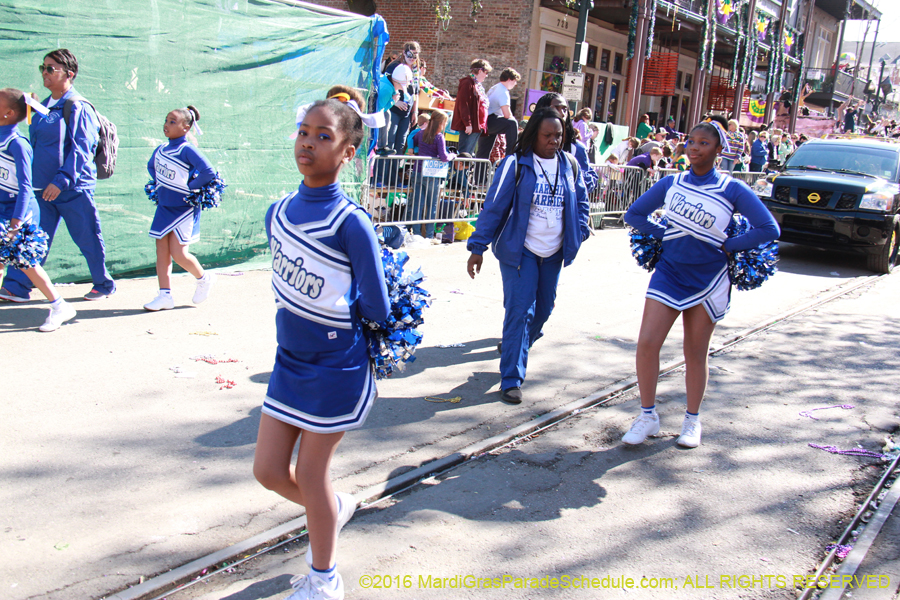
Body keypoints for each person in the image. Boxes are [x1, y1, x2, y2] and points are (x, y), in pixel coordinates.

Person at [253, 88, 390, 600]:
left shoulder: (350, 222)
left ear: (348, 152)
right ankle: (333, 508)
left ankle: (324, 578)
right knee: (268, 471)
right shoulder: (278, 212)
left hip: (336, 365)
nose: (308, 143)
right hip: (289, 360)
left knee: (311, 475)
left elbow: (377, 305)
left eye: (324, 136)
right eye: (304, 133)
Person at [621, 120, 779, 448]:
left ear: (719, 150)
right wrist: (665, 234)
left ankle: (692, 420)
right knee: (647, 343)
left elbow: (768, 228)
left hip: (709, 279)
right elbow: (634, 214)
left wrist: (729, 245)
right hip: (669, 272)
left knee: (695, 352)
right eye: (691, 141)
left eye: (704, 143)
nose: (694, 148)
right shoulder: (672, 182)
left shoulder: (732, 189)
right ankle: (647, 416)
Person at [465, 107, 590, 405]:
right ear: (534, 135)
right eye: (547, 135)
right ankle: (511, 378)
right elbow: (493, 207)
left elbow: (582, 202)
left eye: (558, 135)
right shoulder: (515, 164)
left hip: (554, 253)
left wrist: (580, 231)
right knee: (520, 312)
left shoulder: (570, 165)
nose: (553, 141)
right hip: (520, 252)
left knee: (543, 310)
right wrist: (477, 247)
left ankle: (516, 345)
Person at [0, 49, 116, 303]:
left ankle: (103, 284)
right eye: (42, 67)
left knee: (87, 237)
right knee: (30, 239)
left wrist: (61, 180)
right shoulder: (44, 107)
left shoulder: (78, 106)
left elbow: (82, 149)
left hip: (72, 188)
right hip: (42, 189)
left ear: (69, 74)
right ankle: (16, 287)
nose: (45, 72)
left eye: (51, 68)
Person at [0, 88, 76, 331]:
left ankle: (60, 306)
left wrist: (16, 222)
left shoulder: (17, 143)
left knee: (28, 264)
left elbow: (25, 187)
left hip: (19, 212)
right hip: (3, 209)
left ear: (8, 113)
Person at [143, 106, 217, 311]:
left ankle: (204, 278)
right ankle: (164, 296)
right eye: (166, 120)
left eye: (172, 122)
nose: (166, 125)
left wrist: (189, 188)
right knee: (161, 251)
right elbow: (151, 166)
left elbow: (208, 172)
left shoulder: (186, 149)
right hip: (164, 207)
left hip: (183, 209)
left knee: (179, 254)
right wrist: (162, 185)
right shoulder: (160, 149)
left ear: (186, 127)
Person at [533, 93, 599, 193]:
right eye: (556, 108)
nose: (562, 113)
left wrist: (573, 174)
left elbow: (589, 182)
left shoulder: (576, 148)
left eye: (564, 109)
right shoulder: (525, 147)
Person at [410, 110, 456, 240]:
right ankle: (429, 236)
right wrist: (452, 155)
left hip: (418, 171)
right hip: (432, 174)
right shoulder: (439, 137)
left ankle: (416, 234)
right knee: (431, 206)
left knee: (417, 204)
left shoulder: (420, 133)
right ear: (441, 123)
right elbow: (444, 157)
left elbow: (412, 140)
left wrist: (413, 150)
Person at [382, 42, 420, 154]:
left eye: (415, 55)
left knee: (401, 144)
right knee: (390, 141)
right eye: (410, 54)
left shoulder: (415, 70)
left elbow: (415, 92)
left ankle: (396, 166)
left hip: (406, 112)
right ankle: (384, 166)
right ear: (404, 52)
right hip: (393, 109)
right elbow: (387, 85)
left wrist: (415, 112)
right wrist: (395, 102)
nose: (412, 58)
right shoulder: (395, 66)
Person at [476, 67, 521, 162]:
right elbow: (507, 115)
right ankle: (511, 156)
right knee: (512, 123)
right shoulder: (503, 91)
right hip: (490, 120)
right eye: (514, 81)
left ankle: (479, 171)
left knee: (483, 153)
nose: (515, 84)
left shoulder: (495, 87)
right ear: (509, 79)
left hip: (484, 121)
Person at [451, 59, 491, 155]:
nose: (487, 75)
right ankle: (460, 166)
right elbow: (464, 104)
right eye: (486, 72)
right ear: (480, 71)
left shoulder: (477, 85)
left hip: (477, 125)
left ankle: (465, 166)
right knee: (464, 153)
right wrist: (468, 123)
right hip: (470, 126)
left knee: (469, 153)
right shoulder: (467, 83)